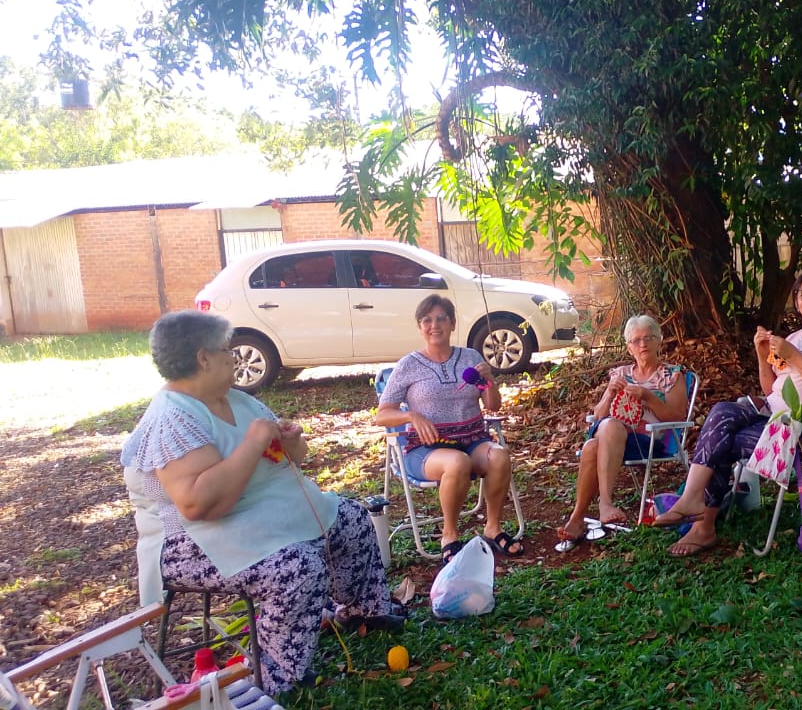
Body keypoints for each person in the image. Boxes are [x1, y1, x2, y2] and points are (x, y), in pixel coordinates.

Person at [122, 310, 402, 695]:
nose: (233, 356)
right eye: (226, 349)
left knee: (351, 519)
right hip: (193, 540)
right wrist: (254, 443)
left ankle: (363, 610)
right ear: (202, 358)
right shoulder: (172, 418)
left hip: (256, 515)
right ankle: (274, 672)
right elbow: (198, 505)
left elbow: (295, 456)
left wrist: (290, 440)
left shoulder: (237, 400)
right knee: (296, 566)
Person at [653, 270, 802, 556]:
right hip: (773, 419)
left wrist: (793, 357)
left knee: (721, 440)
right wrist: (763, 355)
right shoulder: (796, 337)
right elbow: (772, 389)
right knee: (723, 411)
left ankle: (701, 522)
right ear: (797, 302)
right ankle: (693, 503)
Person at [374, 295, 523, 564]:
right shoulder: (408, 365)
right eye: (427, 320)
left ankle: (493, 528)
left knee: (499, 455)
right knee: (457, 462)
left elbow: (493, 406)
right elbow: (382, 416)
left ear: (452, 323)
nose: (435, 325)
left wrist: (489, 381)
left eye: (441, 318)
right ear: (420, 326)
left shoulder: (470, 357)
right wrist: (411, 415)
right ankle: (449, 535)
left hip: (472, 440)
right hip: (426, 449)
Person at [557, 315, 689, 546]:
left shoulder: (672, 375)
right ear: (629, 348)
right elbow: (597, 417)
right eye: (636, 340)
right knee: (604, 429)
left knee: (594, 443)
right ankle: (598, 508)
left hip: (649, 442)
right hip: (614, 439)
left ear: (659, 341)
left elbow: (678, 416)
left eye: (648, 338)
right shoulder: (620, 374)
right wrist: (609, 393)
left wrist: (648, 396)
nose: (643, 344)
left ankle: (583, 515)